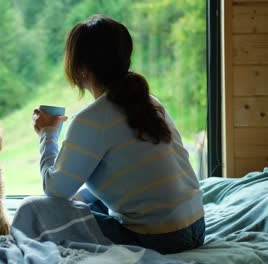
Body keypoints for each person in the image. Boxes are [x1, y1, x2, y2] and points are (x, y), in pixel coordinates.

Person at [30, 15, 205, 254]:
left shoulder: (91, 120)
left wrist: (48, 134)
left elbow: (55, 191)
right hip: (196, 227)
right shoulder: (150, 103)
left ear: (80, 68)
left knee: (39, 211)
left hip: (160, 239)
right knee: (86, 198)